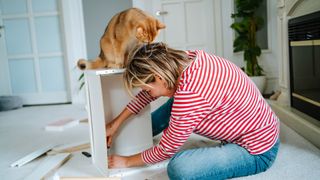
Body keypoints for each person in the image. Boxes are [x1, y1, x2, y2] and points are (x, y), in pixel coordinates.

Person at [106, 42, 280, 179]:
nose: (146, 93)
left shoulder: (190, 94)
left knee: (179, 168)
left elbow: (166, 150)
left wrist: (127, 162)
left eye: (146, 88)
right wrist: (115, 124)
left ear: (158, 77)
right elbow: (148, 96)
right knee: (171, 105)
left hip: (257, 150)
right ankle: (139, 132)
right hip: (255, 123)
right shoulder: (184, 60)